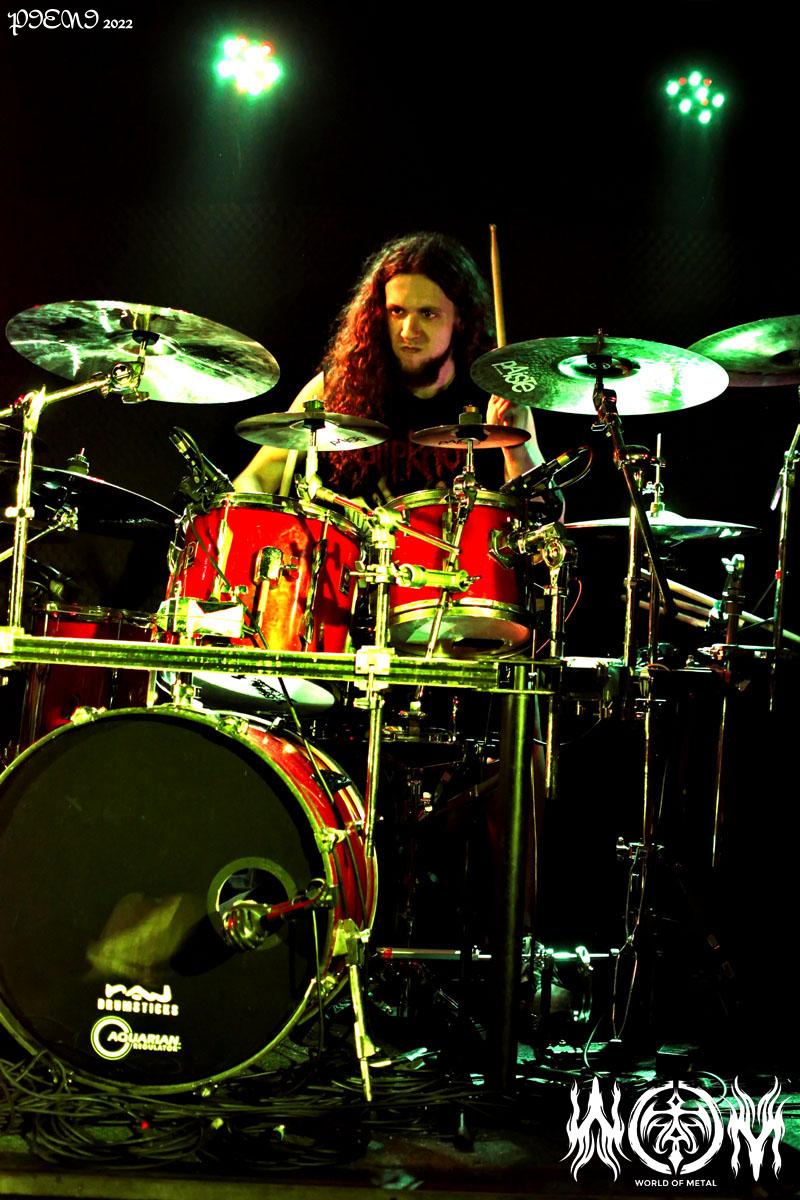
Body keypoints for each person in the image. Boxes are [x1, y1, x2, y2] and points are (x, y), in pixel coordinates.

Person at [234, 232, 549, 502]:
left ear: (460, 318)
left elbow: (545, 517)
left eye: (428, 314)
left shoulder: (494, 394)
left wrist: (517, 452)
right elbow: (256, 479)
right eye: (397, 311)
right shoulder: (341, 385)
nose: (408, 331)